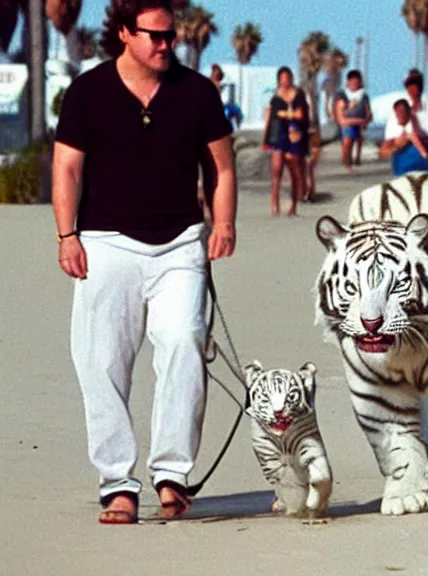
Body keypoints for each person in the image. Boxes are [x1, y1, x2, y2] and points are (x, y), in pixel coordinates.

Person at [52, 0, 237, 525]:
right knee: (102, 360)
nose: (165, 45)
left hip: (180, 243)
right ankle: (118, 483)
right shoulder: (88, 92)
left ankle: (172, 475)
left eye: (170, 36)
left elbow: (221, 167)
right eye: (154, 36)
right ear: (126, 34)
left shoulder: (197, 92)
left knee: (183, 343)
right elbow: (66, 168)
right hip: (105, 242)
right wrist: (67, 235)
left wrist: (223, 224)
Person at [262, 66, 309, 216]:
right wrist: (266, 138)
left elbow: (301, 115)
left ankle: (293, 206)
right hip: (278, 134)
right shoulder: (275, 97)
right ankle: (274, 204)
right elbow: (271, 117)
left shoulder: (299, 94)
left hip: (295, 134)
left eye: (287, 78)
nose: (285, 81)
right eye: (282, 79)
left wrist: (285, 114)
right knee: (276, 169)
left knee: (295, 170)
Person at [379, 98, 428, 176]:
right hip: (402, 165)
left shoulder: (416, 122)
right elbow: (383, 152)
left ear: (409, 112)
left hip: (420, 164)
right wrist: (398, 145)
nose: (402, 114)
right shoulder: (393, 127)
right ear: (395, 113)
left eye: (404, 111)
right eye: (399, 112)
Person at [333, 69, 372, 171]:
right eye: (353, 82)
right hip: (347, 123)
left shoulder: (363, 96)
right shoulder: (342, 96)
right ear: (348, 82)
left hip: (359, 124)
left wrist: (366, 120)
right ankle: (347, 163)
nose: (355, 84)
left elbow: (368, 112)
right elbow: (340, 116)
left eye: (357, 82)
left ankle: (356, 159)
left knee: (358, 138)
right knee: (348, 139)